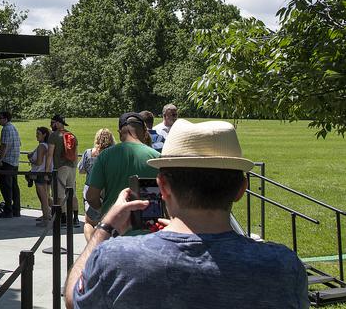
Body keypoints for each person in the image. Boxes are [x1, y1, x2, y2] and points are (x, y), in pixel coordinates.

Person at [66, 119, 308, 309]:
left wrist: (105, 227)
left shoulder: (115, 259)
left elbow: (73, 298)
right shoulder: (284, 266)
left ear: (162, 186)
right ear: (241, 189)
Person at [84, 113, 160, 234]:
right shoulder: (157, 158)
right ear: (145, 132)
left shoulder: (105, 156)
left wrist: (104, 210)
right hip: (148, 230)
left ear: (120, 133)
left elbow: (91, 196)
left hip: (113, 229)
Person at [77, 128, 115, 240]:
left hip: (91, 189)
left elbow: (81, 170)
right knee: (108, 223)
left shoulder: (89, 153)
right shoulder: (114, 154)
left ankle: (91, 247)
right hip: (108, 189)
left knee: (89, 223)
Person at [47, 114, 80, 227]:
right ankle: (75, 219)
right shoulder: (72, 136)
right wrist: (74, 167)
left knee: (60, 194)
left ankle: (64, 218)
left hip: (60, 168)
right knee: (72, 194)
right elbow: (75, 155)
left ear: (57, 123)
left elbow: (49, 155)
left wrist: (47, 171)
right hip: (72, 168)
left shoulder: (54, 136)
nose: (51, 125)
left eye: (52, 122)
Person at [0, 110, 21, 218]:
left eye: (0, 118)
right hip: (15, 161)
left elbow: (4, 146)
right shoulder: (14, 128)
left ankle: (8, 210)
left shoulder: (6, 129)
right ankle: (16, 209)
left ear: (5, 119)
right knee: (14, 186)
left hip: (7, 161)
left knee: (6, 187)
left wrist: (0, 159)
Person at [28, 126, 52, 226]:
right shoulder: (47, 145)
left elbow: (38, 162)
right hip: (45, 173)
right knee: (46, 196)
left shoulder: (42, 146)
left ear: (44, 135)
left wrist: (31, 159)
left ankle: (46, 218)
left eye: (38, 134)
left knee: (43, 197)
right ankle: (47, 215)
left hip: (40, 174)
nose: (36, 135)